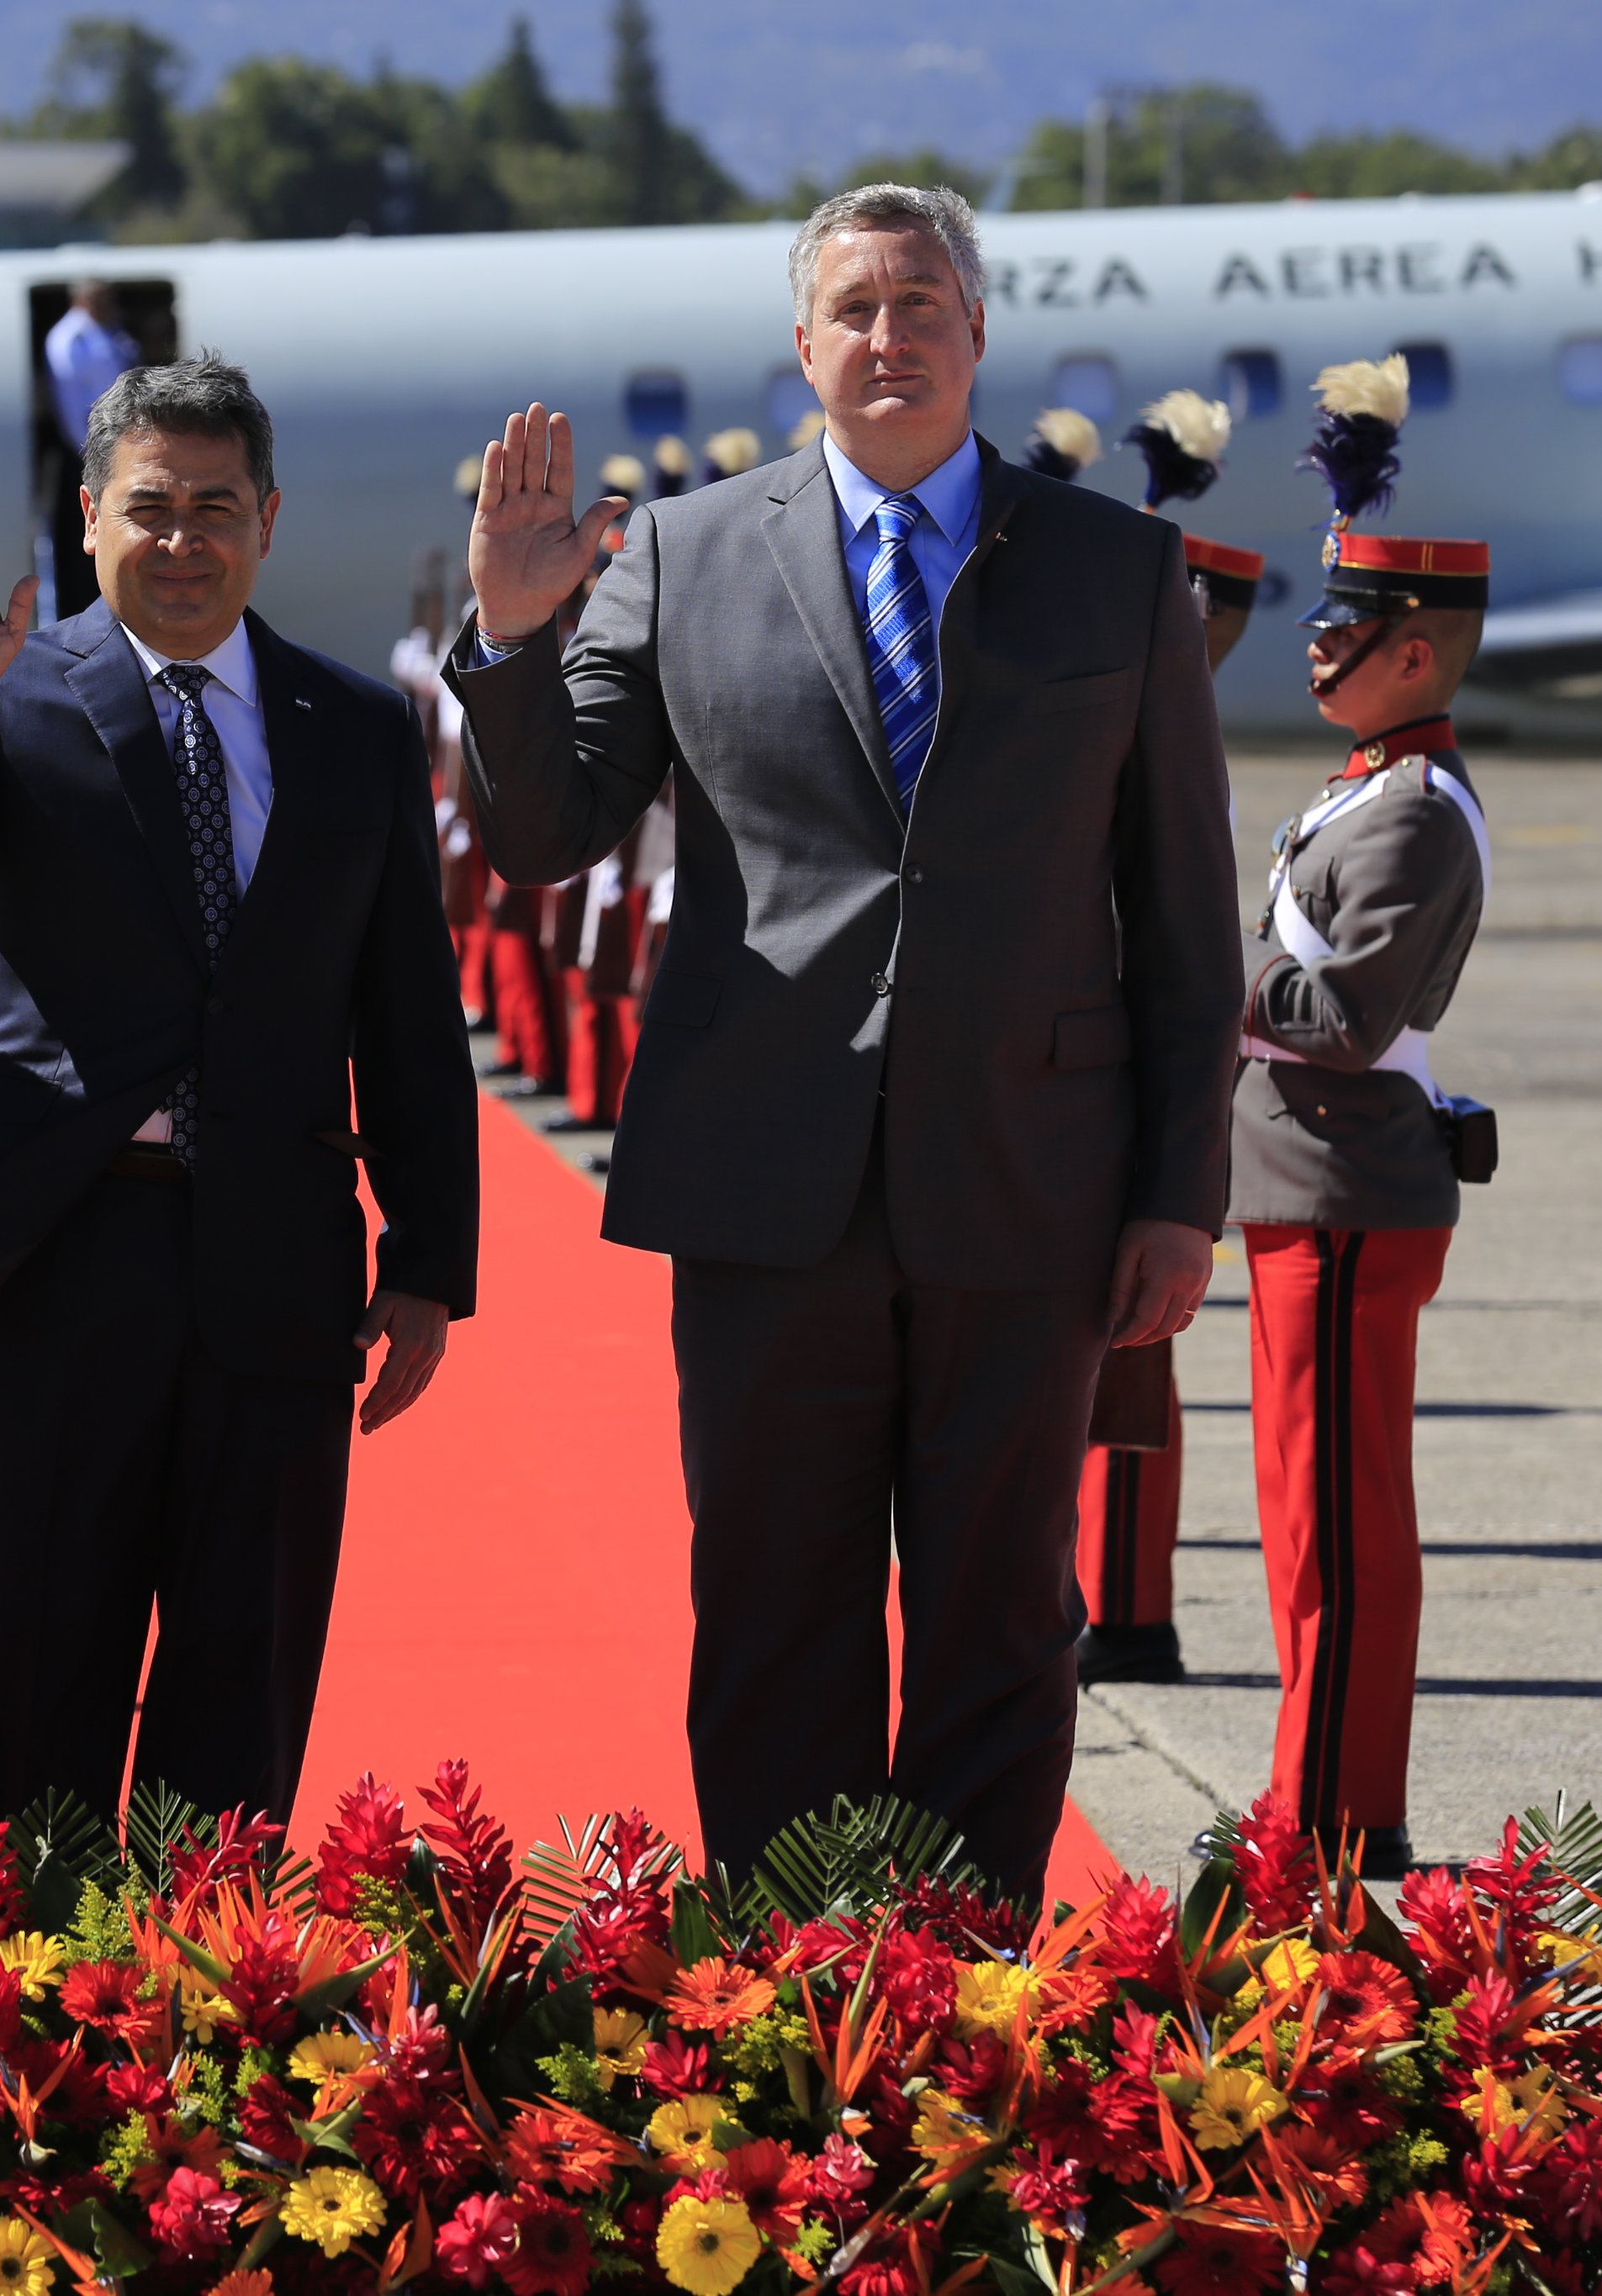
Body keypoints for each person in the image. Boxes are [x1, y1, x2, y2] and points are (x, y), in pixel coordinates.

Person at [448, 183, 1243, 1899]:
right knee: (770, 1607)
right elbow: (540, 834)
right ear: (801, 345)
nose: (889, 338)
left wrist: (1180, 1192)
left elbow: (1182, 914)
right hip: (762, 1181)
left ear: (973, 333)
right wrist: (512, 642)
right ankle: (784, 2003)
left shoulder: (1115, 567)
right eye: (855, 311)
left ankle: (959, 2016)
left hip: (1024, 1183)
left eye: (922, 305)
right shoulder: (675, 551)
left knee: (998, 1613)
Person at [0, 356, 478, 1831]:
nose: (180, 540)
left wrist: (430, 1261)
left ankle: (208, 2016)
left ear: (265, 519)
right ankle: (31, 2017)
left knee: (241, 1675)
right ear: (86, 518)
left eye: (213, 509)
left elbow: (404, 1014)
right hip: (61, 1249)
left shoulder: (354, 727)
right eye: (149, 509)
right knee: (45, 1665)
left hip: (276, 1258)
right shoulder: (9, 692)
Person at [1233, 355, 1495, 1880]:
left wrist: (1210, 967)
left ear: (1417, 652)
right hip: (1308, 1189)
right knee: (1307, 1514)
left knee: (1334, 1524)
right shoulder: (1366, 786)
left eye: (1345, 629)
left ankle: (1327, 1817)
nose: (1320, 649)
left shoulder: (1405, 811)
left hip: (1344, 1189)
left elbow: (1343, 1020)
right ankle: (1324, 1795)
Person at [1076, 390, 1262, 1689]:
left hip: (1126, 1081)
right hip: (1080, 1070)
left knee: (1131, 1374)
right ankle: (1111, 1598)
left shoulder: (1170, 737)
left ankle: (1132, 1609)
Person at [40, 281, 138, 616]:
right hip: (89, 454)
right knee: (84, 545)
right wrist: (95, 457)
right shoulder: (69, 339)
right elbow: (71, 407)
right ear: (82, 299)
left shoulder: (108, 333)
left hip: (117, 452)